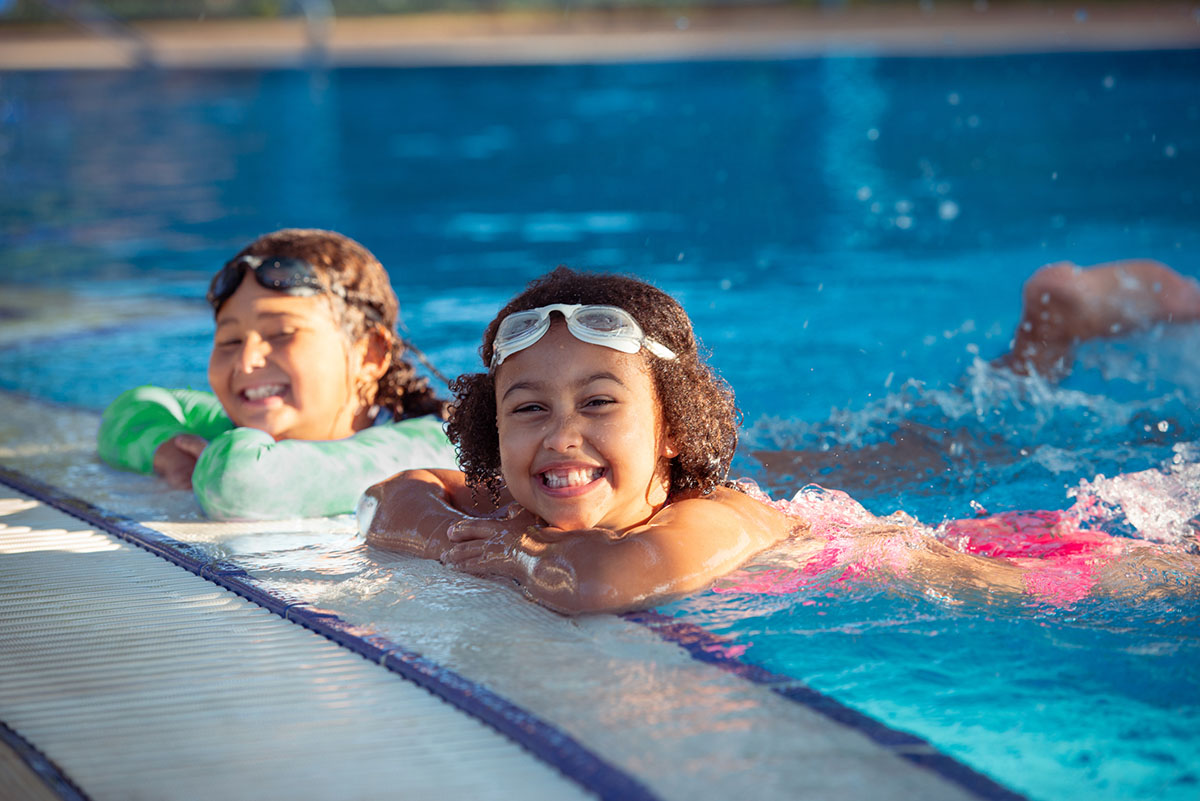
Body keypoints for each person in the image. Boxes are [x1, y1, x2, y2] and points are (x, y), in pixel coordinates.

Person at [359, 267, 1198, 615]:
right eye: (528, 410)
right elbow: (398, 493)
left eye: (600, 400)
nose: (560, 434)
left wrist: (507, 551)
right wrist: (459, 535)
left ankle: (1051, 335)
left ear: (676, 432)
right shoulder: (538, 497)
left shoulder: (716, 516)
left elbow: (598, 580)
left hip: (1022, 565)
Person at [98, 228, 458, 520]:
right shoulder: (237, 429)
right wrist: (163, 448)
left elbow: (241, 481)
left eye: (282, 334)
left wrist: (216, 463)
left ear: (369, 353)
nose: (246, 361)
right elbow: (132, 406)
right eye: (230, 339)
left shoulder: (430, 445)